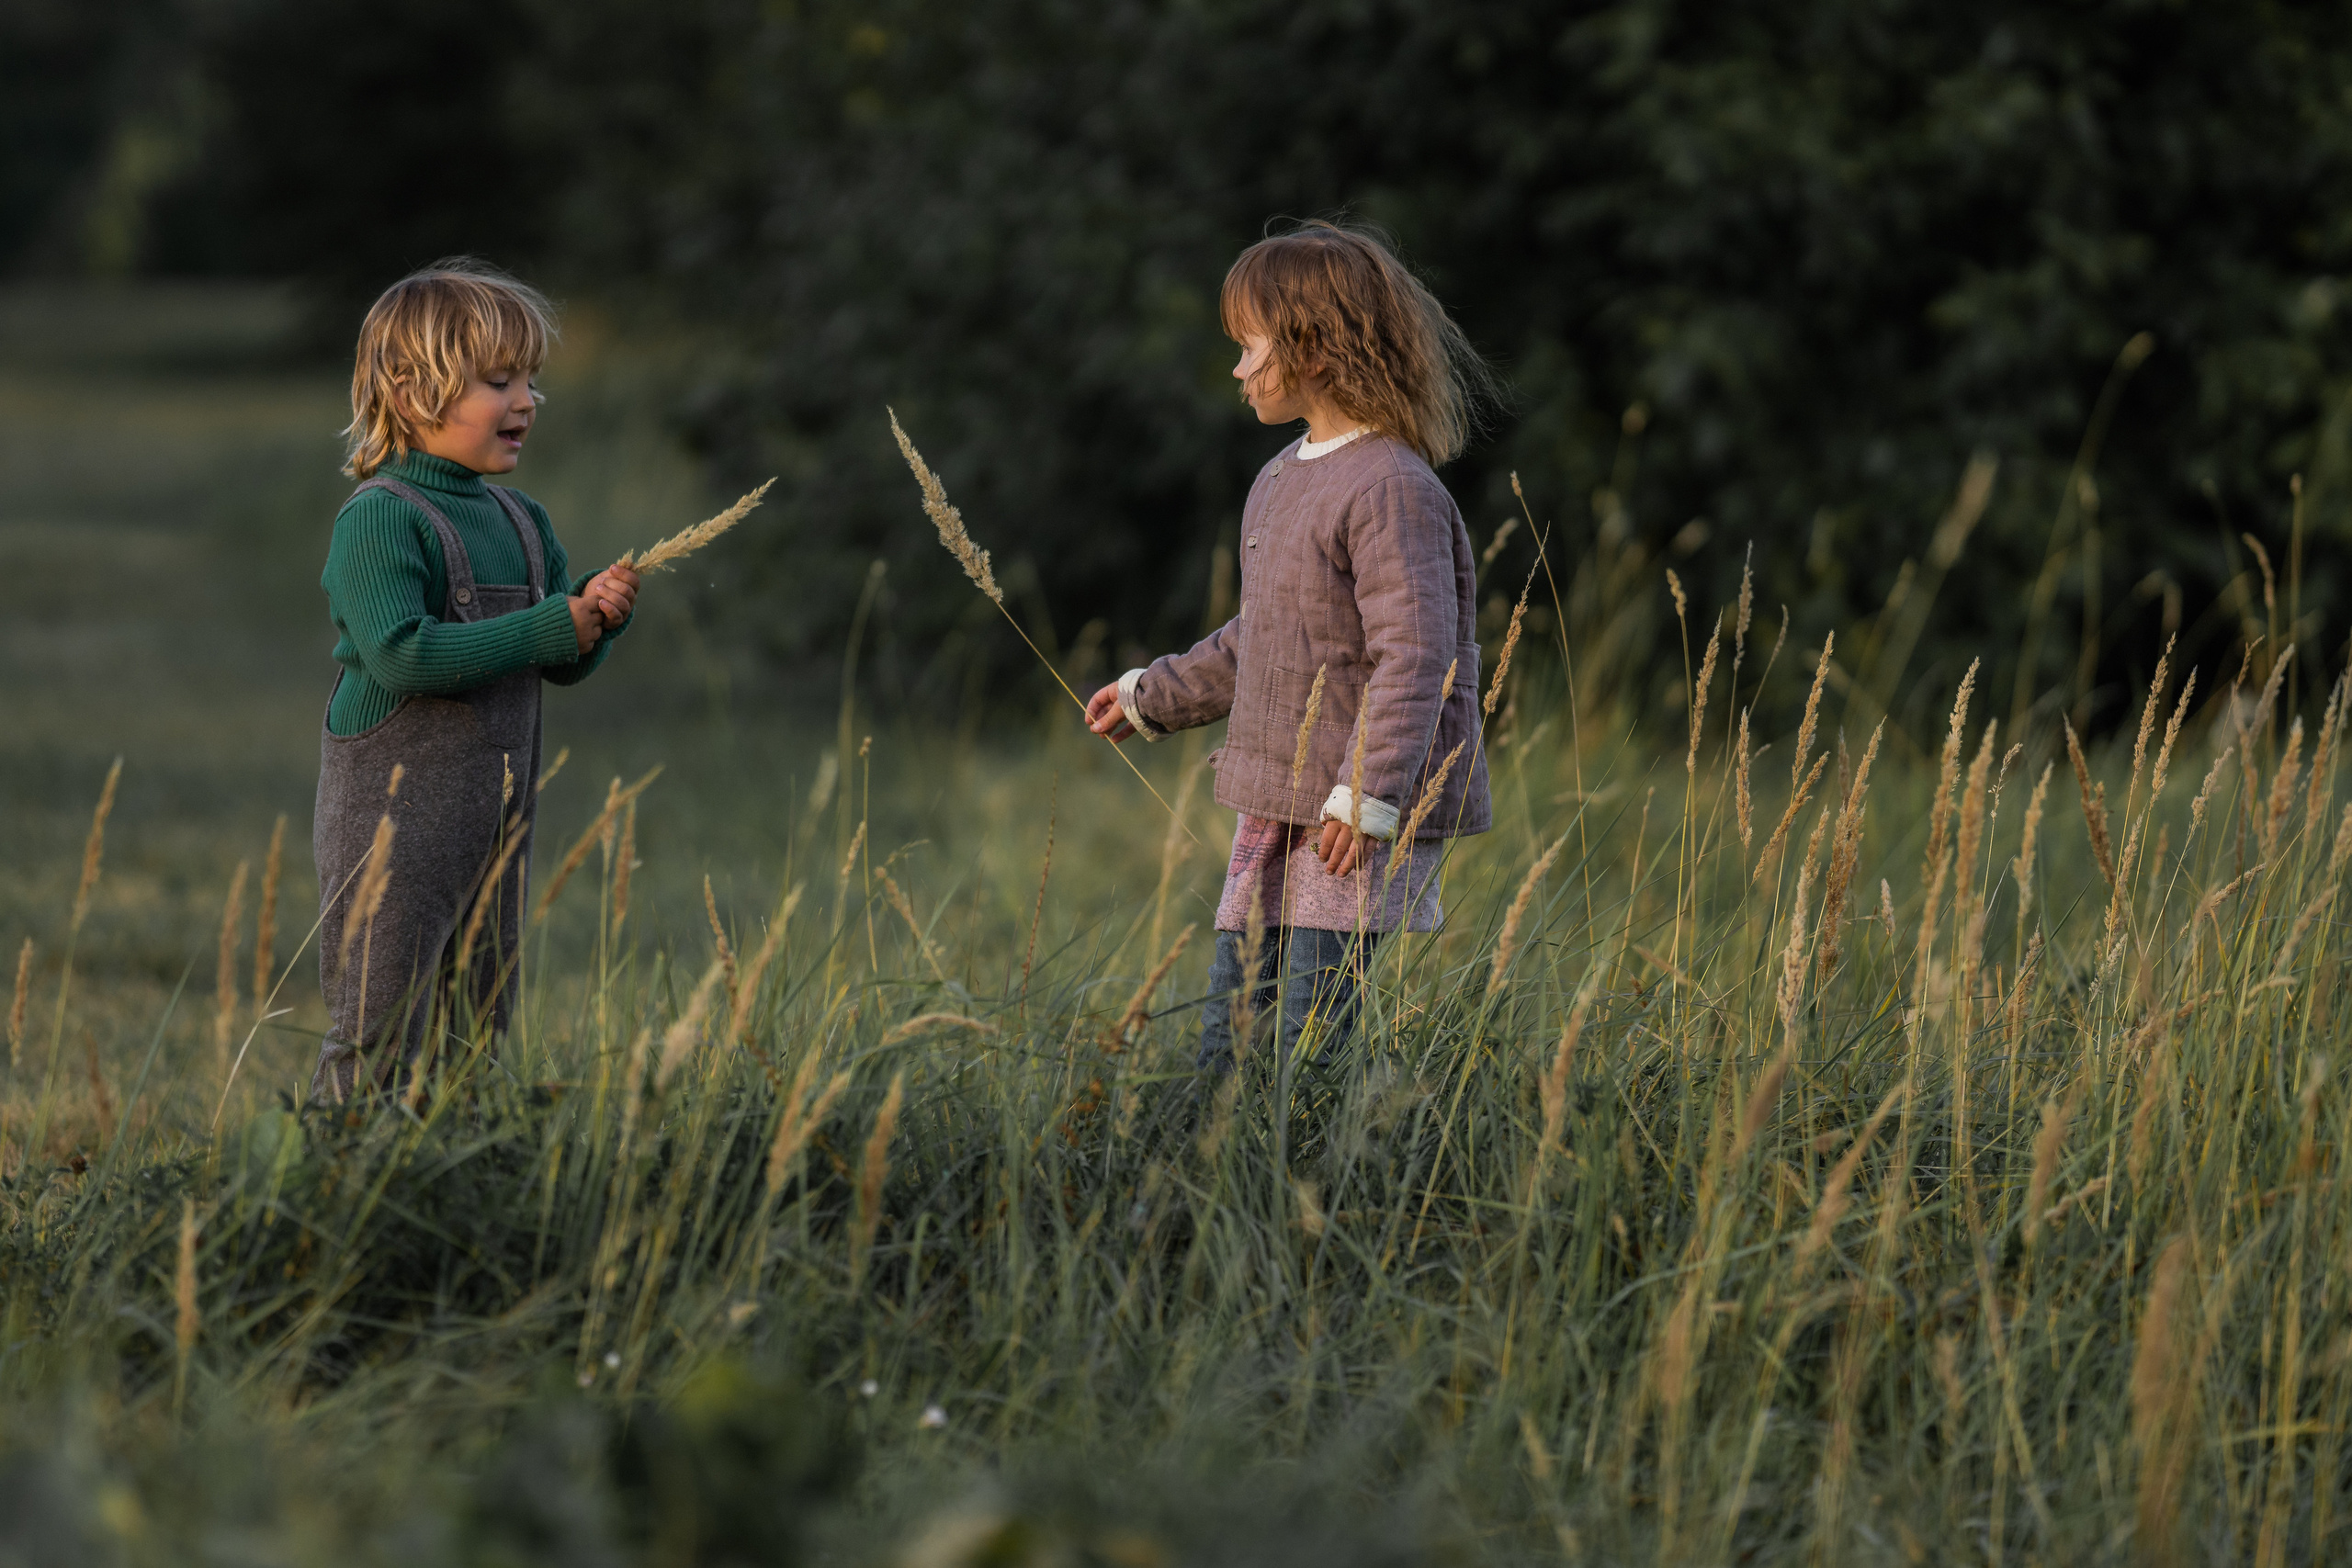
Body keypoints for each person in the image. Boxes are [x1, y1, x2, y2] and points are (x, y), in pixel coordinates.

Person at [1085, 220, 1494, 1073]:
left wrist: (1368, 797)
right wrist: (1148, 695)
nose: (1238, 368)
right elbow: (1263, 638)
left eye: (1250, 346)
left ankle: (1313, 1192)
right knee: (1230, 1038)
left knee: (1310, 1047)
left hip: (1346, 823)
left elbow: (1415, 655)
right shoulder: (1281, 476)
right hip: (1276, 810)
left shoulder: (1390, 486)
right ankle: (1210, 1178)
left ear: (1312, 348)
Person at [309, 258, 639, 1101]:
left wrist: (590, 621)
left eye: (531, 380)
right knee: (380, 1031)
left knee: (474, 1032)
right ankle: (331, 1196)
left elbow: (555, 665)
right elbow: (402, 656)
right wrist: (546, 623)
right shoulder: (381, 520)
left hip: (495, 828)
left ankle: (460, 1193)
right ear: (415, 390)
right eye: (500, 380)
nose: (526, 400)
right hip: (390, 833)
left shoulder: (525, 524)